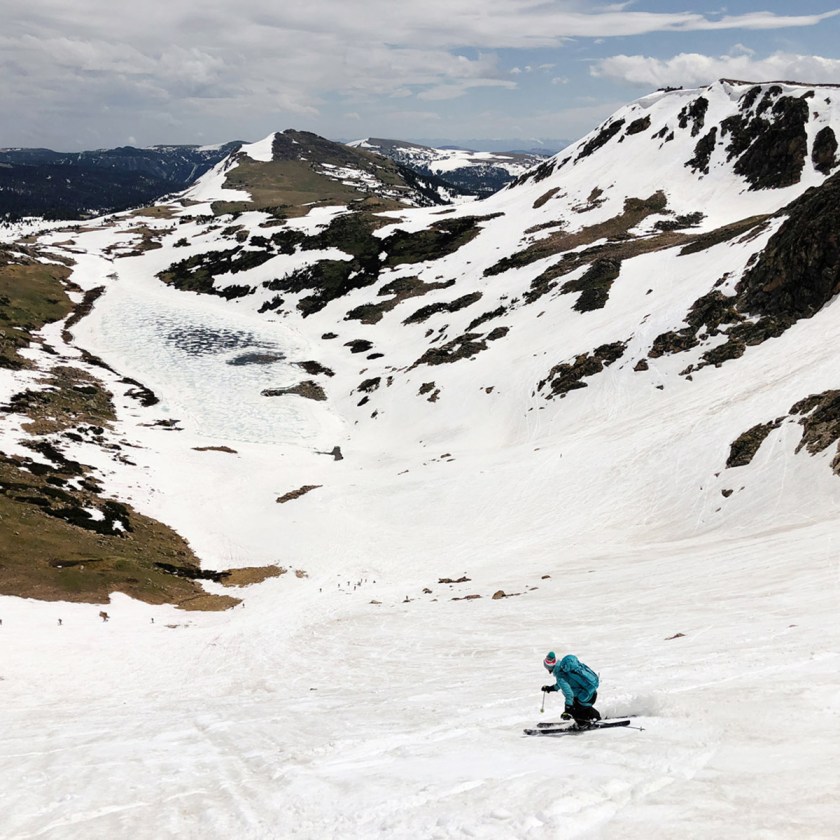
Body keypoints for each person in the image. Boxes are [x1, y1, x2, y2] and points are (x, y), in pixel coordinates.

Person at [541, 651, 602, 727]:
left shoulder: (560, 677)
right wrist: (550, 688)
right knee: (580, 706)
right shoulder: (565, 668)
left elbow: (569, 694)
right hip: (591, 692)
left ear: (549, 669)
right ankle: (595, 717)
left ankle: (584, 724)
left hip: (585, 697)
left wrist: (568, 710)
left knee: (574, 709)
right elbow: (564, 684)